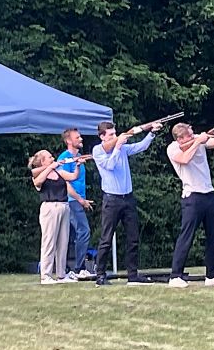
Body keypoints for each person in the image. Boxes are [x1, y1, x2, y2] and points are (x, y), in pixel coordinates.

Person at [165, 122, 214, 289]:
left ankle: (212, 275)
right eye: (189, 135)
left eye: (192, 134)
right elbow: (184, 160)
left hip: (209, 194)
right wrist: (198, 141)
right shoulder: (173, 148)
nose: (192, 136)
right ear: (180, 138)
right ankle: (175, 276)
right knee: (187, 235)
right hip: (192, 197)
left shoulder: (198, 140)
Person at [91, 119, 161, 285]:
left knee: (133, 238)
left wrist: (151, 132)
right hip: (112, 199)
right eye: (111, 135)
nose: (115, 136)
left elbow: (140, 147)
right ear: (102, 137)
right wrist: (117, 146)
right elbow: (110, 165)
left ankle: (133, 274)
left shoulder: (121, 148)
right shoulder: (98, 151)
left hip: (127, 198)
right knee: (106, 239)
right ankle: (100, 275)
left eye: (115, 133)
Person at [28, 149, 82, 284]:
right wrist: (50, 168)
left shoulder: (58, 172)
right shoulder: (40, 174)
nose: (53, 158)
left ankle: (61, 275)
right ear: (42, 161)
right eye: (49, 157)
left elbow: (73, 177)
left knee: (63, 243)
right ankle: (45, 275)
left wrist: (78, 166)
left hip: (64, 206)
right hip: (50, 208)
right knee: (49, 243)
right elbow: (37, 182)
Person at [56, 128, 94, 278]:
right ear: (68, 141)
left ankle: (66, 269)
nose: (81, 139)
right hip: (71, 200)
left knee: (71, 236)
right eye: (77, 137)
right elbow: (65, 182)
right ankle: (79, 268)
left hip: (77, 200)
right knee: (83, 231)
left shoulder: (78, 157)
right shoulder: (65, 158)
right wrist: (80, 200)